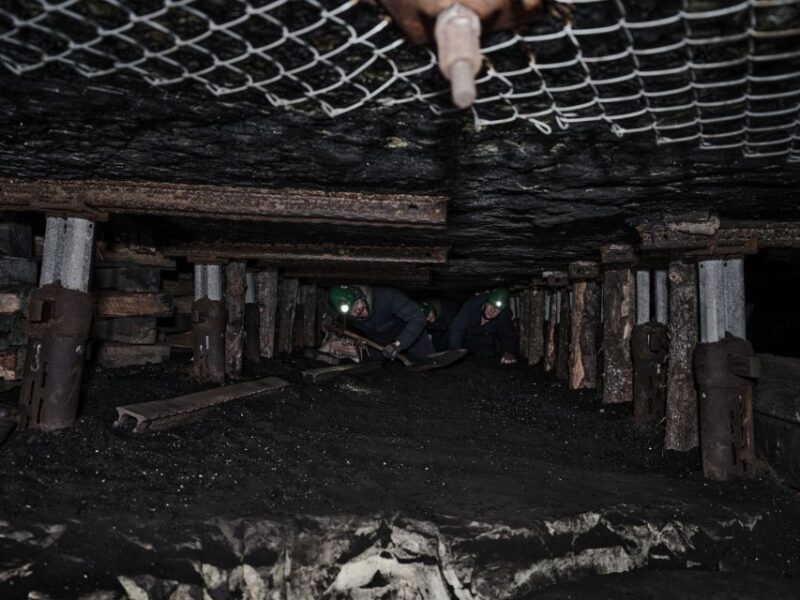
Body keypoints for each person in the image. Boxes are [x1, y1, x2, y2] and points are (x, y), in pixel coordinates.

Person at [328, 285, 434, 360]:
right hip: (379, 342)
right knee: (371, 365)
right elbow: (332, 310)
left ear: (361, 295)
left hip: (409, 334)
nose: (357, 310)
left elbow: (418, 317)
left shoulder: (387, 297)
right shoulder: (346, 314)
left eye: (356, 303)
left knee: (427, 361)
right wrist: (328, 318)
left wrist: (398, 344)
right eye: (350, 309)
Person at [446, 287, 517, 364]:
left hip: (483, 338)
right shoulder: (472, 305)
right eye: (491, 306)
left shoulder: (504, 315)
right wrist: (454, 353)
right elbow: (457, 328)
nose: (492, 311)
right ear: (486, 303)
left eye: (497, 310)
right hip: (465, 336)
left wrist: (508, 352)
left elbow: (506, 334)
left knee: (485, 358)